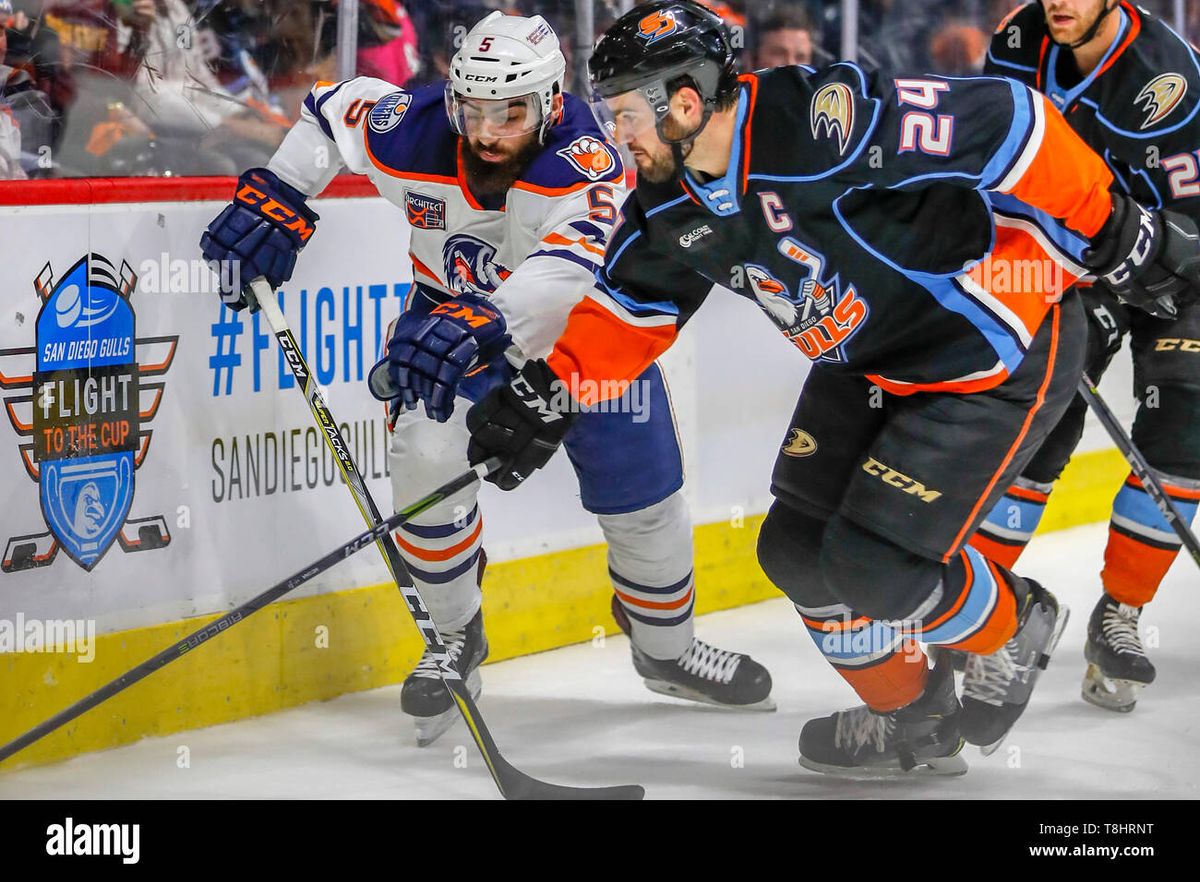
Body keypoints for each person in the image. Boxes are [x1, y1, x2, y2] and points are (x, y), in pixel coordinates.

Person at [462, 0, 1200, 776]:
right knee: (795, 552)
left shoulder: (816, 124)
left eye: (623, 116)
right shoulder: (670, 200)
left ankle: (1016, 624)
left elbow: (1015, 122)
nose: (617, 138)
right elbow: (634, 304)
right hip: (868, 367)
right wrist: (546, 394)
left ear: (682, 103)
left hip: (990, 353)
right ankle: (912, 718)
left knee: (874, 568)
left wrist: (1116, 228)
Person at [199, 10, 774, 748]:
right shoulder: (410, 128)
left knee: (646, 498)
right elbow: (328, 108)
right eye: (473, 108)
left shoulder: (585, 162)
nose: (488, 130)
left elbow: (570, 275)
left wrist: (490, 317)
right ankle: (454, 640)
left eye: (511, 111)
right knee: (423, 469)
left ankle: (666, 651)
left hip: (577, 342)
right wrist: (281, 191)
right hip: (448, 331)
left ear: (553, 101)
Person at [978, 0, 1200, 712]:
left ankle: (1120, 614)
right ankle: (976, 622)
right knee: (1032, 431)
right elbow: (995, 159)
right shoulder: (1018, 41)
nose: (1059, 4)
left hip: (1180, 258)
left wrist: (1141, 252)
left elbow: (1187, 223)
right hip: (1079, 262)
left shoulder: (1161, 77)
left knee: (1185, 430)